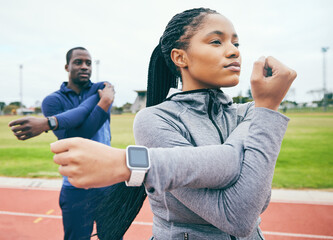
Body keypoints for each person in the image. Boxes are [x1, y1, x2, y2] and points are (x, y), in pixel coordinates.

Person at [51, 8, 297, 240]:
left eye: (236, 43)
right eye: (216, 41)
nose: (234, 51)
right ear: (180, 57)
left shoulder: (254, 111)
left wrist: (131, 164)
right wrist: (265, 111)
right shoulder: (155, 120)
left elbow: (254, 196)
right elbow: (238, 216)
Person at [8, 47, 121, 240]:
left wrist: (49, 122)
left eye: (88, 62)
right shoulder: (52, 101)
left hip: (107, 183)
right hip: (76, 186)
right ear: (67, 66)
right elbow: (78, 137)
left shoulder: (102, 87)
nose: (84, 66)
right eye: (78, 62)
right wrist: (103, 104)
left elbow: (84, 110)